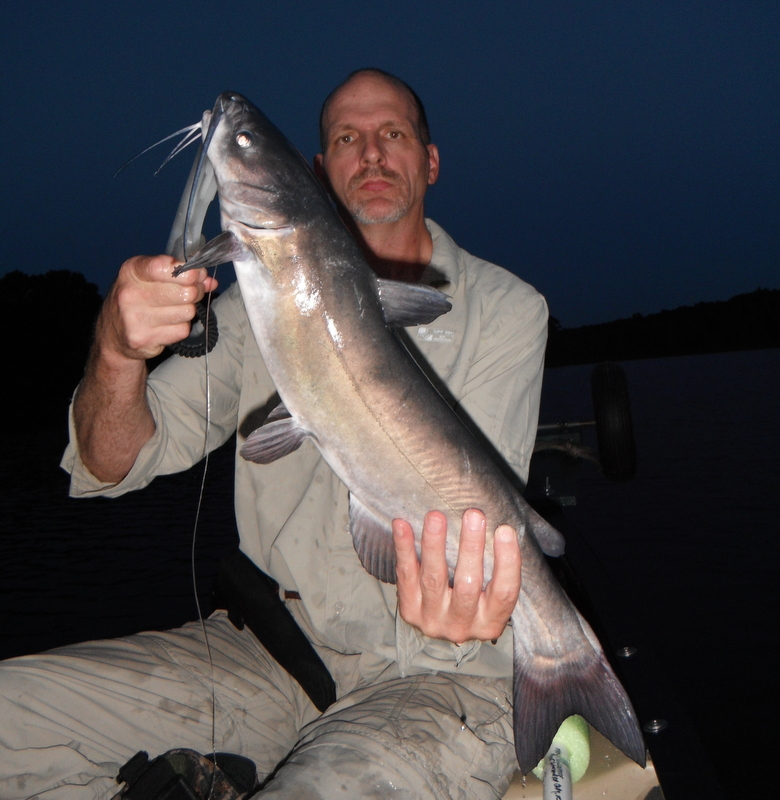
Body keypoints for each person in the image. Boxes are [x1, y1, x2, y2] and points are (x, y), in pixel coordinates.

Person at [0, 69, 548, 800]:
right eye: (347, 139)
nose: (373, 154)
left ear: (431, 159)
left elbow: (472, 530)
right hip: (270, 655)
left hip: (436, 671)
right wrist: (116, 353)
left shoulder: (508, 310)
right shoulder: (249, 306)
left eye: (394, 134)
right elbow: (110, 461)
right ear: (316, 171)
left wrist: (481, 598)